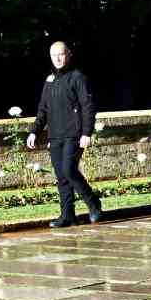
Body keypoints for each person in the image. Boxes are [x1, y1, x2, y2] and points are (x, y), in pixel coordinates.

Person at [26, 40, 102, 228]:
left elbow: (88, 107)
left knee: (69, 170)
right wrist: (34, 131)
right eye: (54, 55)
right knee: (61, 176)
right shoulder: (50, 80)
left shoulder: (78, 78)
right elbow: (43, 109)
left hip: (74, 135)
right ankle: (67, 215)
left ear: (69, 54)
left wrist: (87, 133)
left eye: (61, 54)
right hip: (55, 136)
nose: (57, 59)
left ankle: (93, 203)